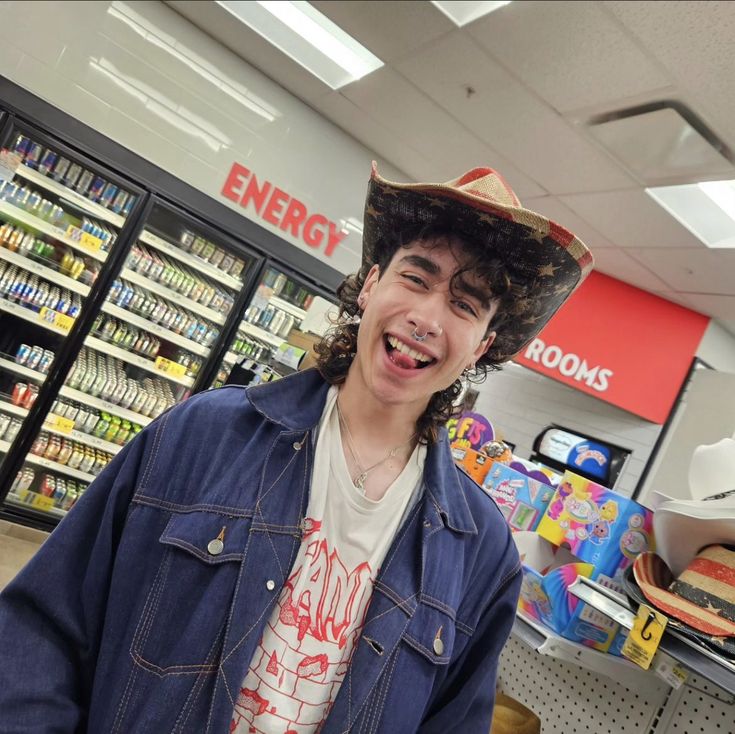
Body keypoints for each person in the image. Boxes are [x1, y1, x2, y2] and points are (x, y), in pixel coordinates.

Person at [0, 163, 592, 733]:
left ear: (483, 345)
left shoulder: (481, 552)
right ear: (369, 286)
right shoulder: (205, 434)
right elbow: (44, 624)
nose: (427, 317)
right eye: (416, 277)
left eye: (464, 304)